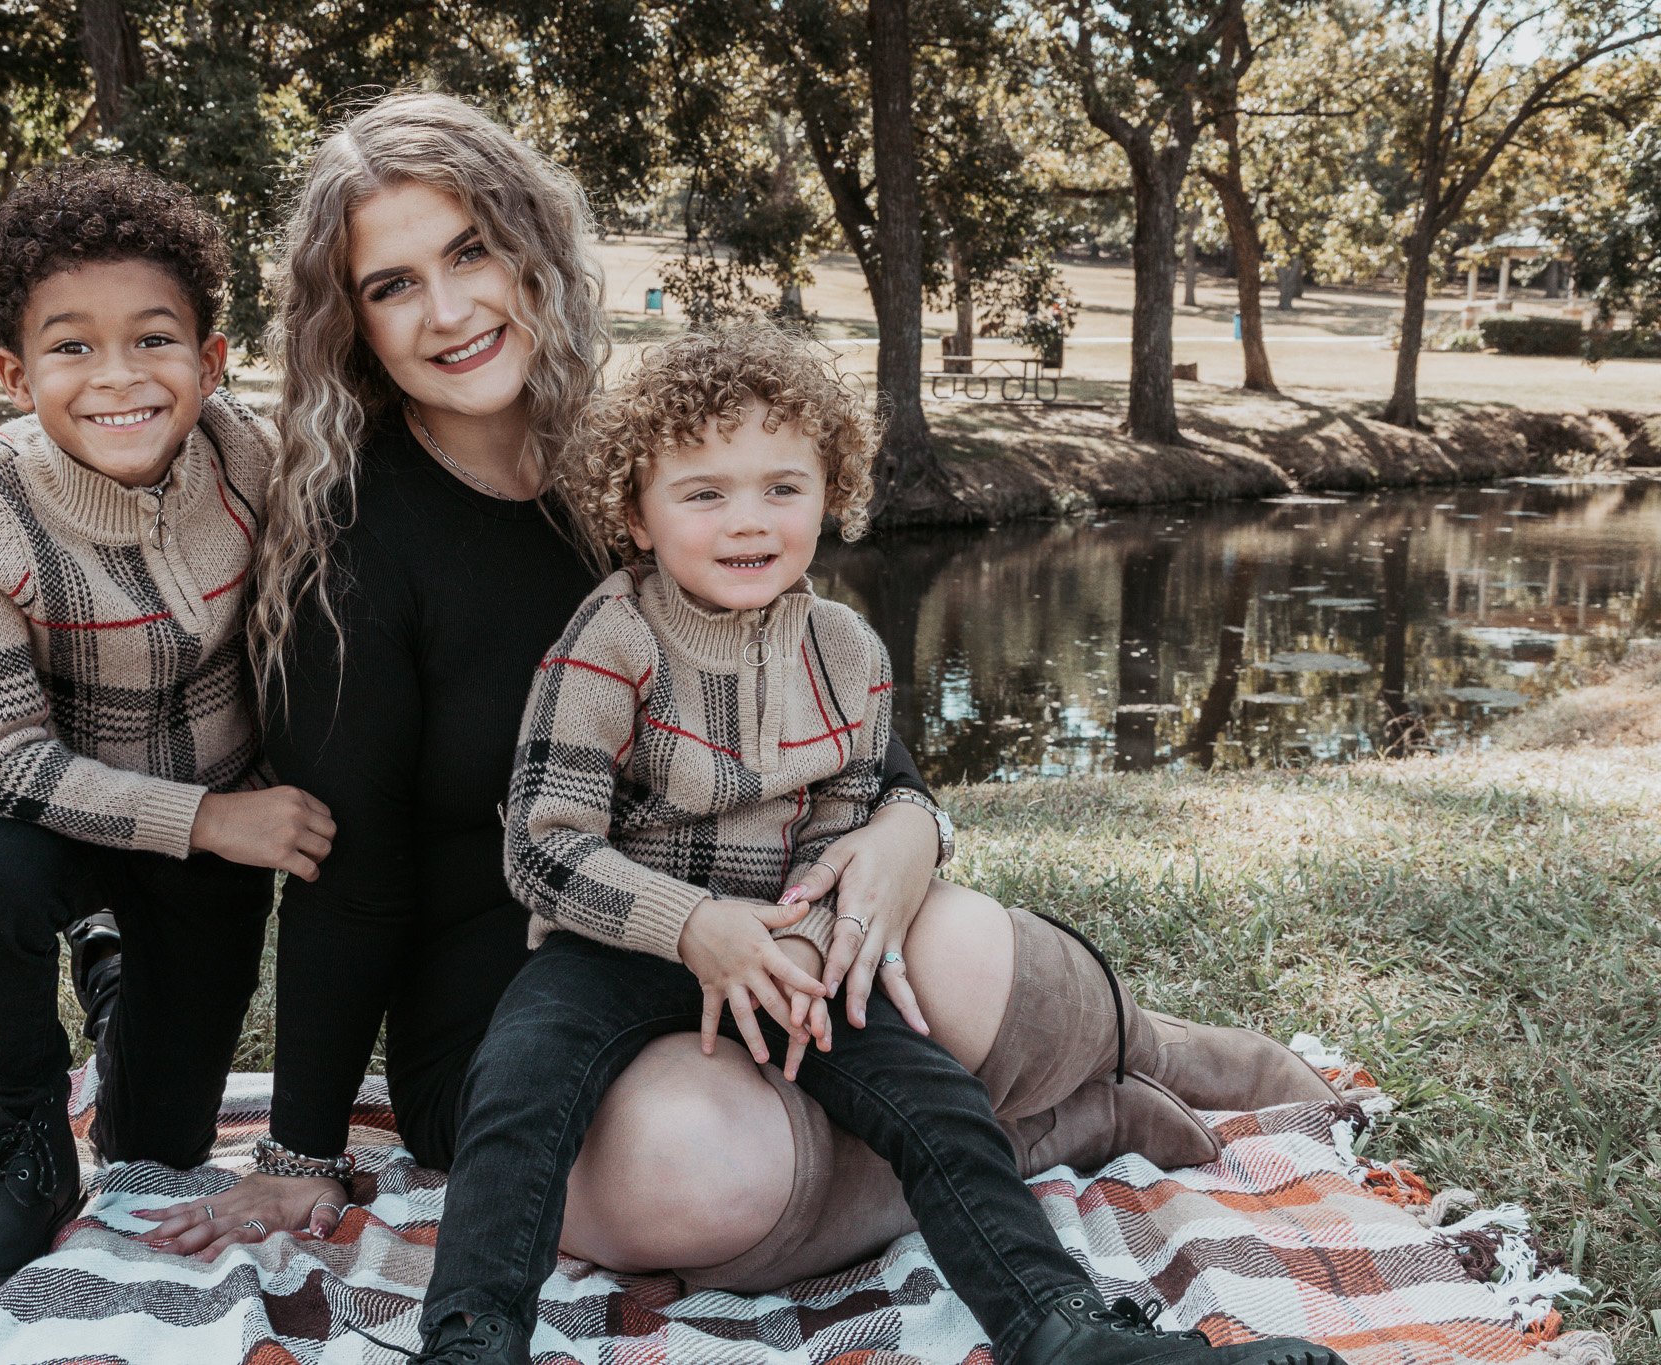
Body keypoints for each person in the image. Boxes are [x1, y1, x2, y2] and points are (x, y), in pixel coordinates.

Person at [135, 93, 1336, 1344]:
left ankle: (1155, 1045)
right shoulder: (351, 543)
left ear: (530, 246)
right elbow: (347, 871)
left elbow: (834, 713)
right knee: (696, 1172)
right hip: (526, 996)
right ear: (350, 324)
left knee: (955, 954)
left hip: (774, 923)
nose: (446, 311)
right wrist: (302, 1149)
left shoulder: (654, 461)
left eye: (470, 251)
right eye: (392, 284)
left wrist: (898, 838)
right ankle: (1058, 1124)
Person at [399, 322, 1346, 1365]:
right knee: (520, 1078)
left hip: (790, 949)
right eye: (702, 493)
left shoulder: (846, 651)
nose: (746, 521)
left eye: (781, 487)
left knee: (936, 1102)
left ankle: (1061, 1329)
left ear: (831, 489)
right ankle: (471, 1333)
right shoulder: (608, 640)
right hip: (618, 946)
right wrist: (696, 926)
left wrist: (805, 941)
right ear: (635, 511)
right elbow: (541, 849)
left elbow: (847, 817)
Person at [0, 159, 334, 1296]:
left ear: (208, 362)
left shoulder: (253, 459)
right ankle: (17, 1153)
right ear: (14, 374)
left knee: (159, 1147)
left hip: (218, 830)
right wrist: (202, 820)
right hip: (71, 818)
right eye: (70, 347)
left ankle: (114, 971)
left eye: (153, 341)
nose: (117, 378)